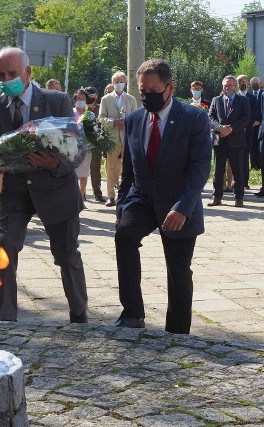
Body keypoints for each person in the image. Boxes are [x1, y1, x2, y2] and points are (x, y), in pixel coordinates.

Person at [0, 47, 87, 323]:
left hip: (56, 190)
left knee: (66, 256)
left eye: (12, 73)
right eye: (1, 75)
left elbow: (76, 149)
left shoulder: (57, 100)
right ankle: (7, 320)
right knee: (5, 249)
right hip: (16, 193)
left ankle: (79, 315)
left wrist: (54, 164)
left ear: (28, 73)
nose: (6, 79)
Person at [114, 59, 212, 334]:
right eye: (142, 91)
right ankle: (132, 314)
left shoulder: (194, 118)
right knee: (124, 235)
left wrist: (183, 207)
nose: (147, 97)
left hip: (179, 201)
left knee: (178, 271)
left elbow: (200, 166)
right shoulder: (134, 119)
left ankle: (178, 332)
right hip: (142, 198)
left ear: (170, 88)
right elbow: (129, 170)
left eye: (153, 91)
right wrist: (121, 207)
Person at [208, 75, 251, 207]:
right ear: (223, 87)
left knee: (238, 170)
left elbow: (246, 118)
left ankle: (239, 198)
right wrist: (219, 128)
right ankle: (217, 197)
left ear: (236, 86)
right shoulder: (216, 100)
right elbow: (211, 117)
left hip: (236, 141)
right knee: (218, 170)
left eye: (230, 85)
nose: (228, 88)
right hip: (220, 141)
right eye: (226, 86)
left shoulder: (243, 101)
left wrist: (231, 128)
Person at [99, 71, 138, 206]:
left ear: (125, 83)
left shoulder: (131, 99)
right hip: (112, 137)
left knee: (128, 167)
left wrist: (126, 121)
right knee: (110, 168)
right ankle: (110, 196)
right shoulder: (106, 99)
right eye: (116, 82)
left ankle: (127, 194)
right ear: (112, 83)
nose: (119, 84)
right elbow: (101, 117)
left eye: (121, 81)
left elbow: (135, 118)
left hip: (127, 138)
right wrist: (113, 121)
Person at [85, 86, 105, 202]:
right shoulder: (81, 108)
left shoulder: (100, 108)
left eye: (92, 94)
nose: (90, 97)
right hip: (83, 142)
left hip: (96, 142)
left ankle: (97, 193)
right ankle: (81, 193)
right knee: (81, 168)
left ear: (96, 96)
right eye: (87, 94)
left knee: (95, 168)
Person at [73, 89, 93, 201]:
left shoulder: (90, 115)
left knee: (84, 174)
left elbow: (94, 131)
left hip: (86, 148)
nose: (80, 101)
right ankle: (73, 197)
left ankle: (81, 197)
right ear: (75, 100)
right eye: (78, 99)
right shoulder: (70, 112)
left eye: (83, 99)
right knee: (73, 174)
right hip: (72, 148)